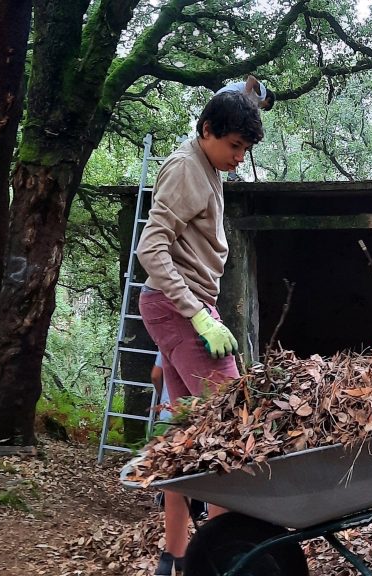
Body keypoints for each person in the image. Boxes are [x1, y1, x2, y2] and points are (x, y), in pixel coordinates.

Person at [136, 89, 262, 576]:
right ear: (206, 130)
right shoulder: (187, 167)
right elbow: (151, 248)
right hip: (179, 306)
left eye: (245, 149)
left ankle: (176, 557)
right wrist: (197, 316)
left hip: (178, 309)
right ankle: (227, 557)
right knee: (230, 429)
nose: (239, 157)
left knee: (185, 434)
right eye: (233, 145)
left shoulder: (208, 166)